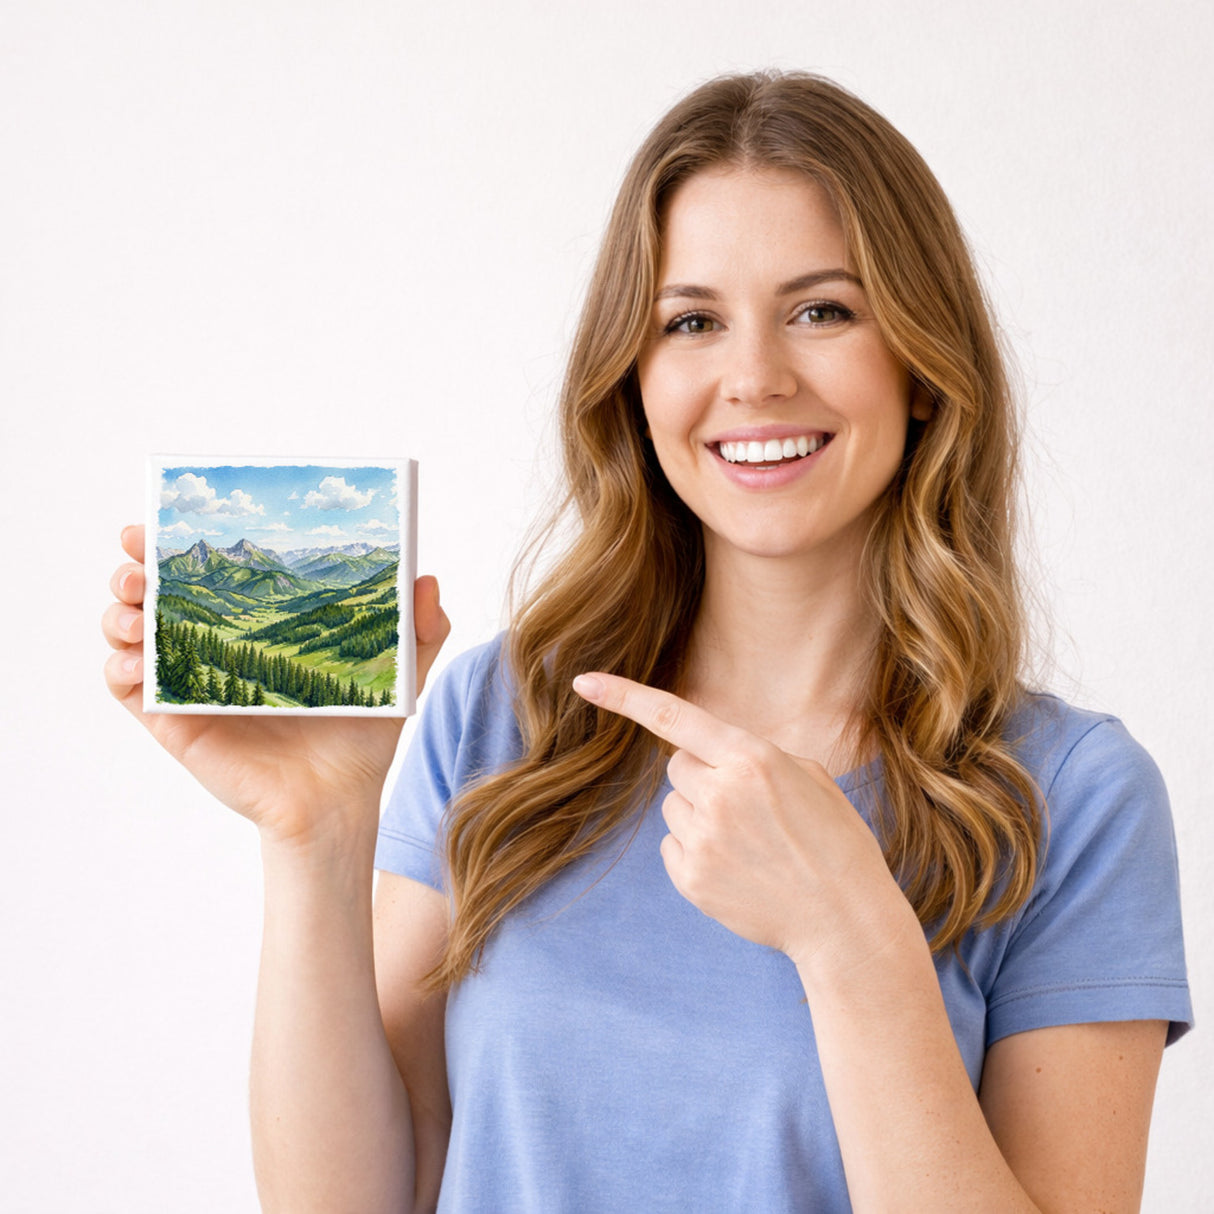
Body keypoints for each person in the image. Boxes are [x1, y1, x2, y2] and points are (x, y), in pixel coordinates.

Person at [103, 71, 1191, 1213]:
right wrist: (317, 839)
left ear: (921, 365)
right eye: (691, 321)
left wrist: (849, 940)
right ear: (633, 376)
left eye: (822, 309)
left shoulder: (1072, 797)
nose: (754, 376)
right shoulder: (497, 714)